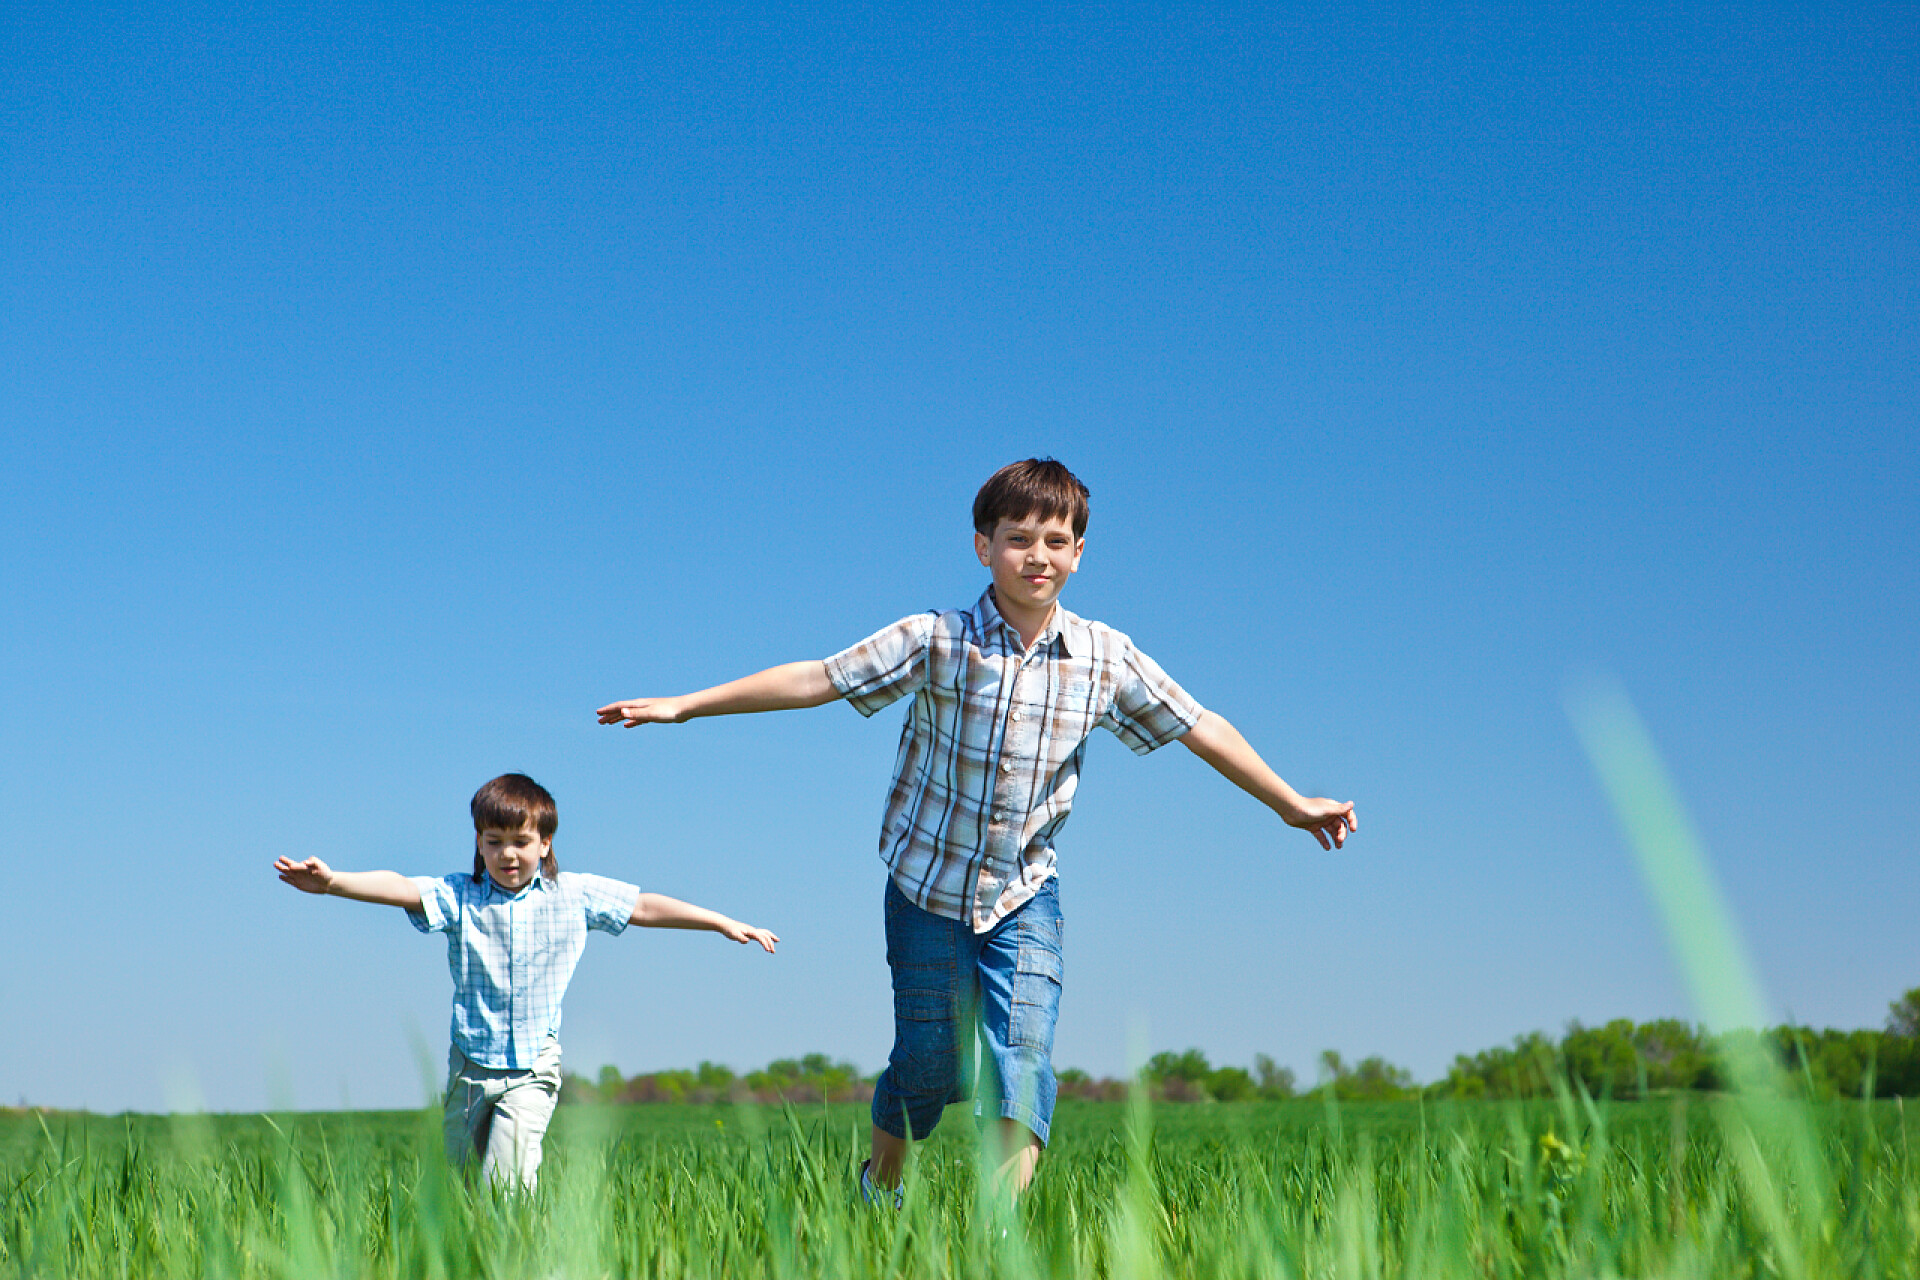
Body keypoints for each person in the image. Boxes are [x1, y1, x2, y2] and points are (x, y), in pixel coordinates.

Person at [595, 458, 1355, 1203]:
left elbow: (1198, 725)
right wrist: (687, 704)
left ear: (1079, 553)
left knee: (1022, 1056)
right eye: (1018, 538)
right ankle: (879, 1188)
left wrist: (1290, 802)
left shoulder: (1104, 656)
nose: (1037, 556)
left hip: (1026, 892)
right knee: (930, 1064)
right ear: (983, 546)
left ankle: (1001, 1240)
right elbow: (819, 677)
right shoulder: (938, 639)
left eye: (1055, 541)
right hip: (925, 889)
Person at [273, 772, 778, 1189]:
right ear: (479, 842)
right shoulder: (461, 895)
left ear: (545, 842)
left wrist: (720, 922)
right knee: (459, 1184)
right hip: (470, 1066)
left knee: (506, 1181)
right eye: (494, 842)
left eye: (521, 842)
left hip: (533, 1066)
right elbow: (403, 887)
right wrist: (334, 883)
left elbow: (643, 906)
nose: (508, 854)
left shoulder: (572, 895)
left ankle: (519, 1256)